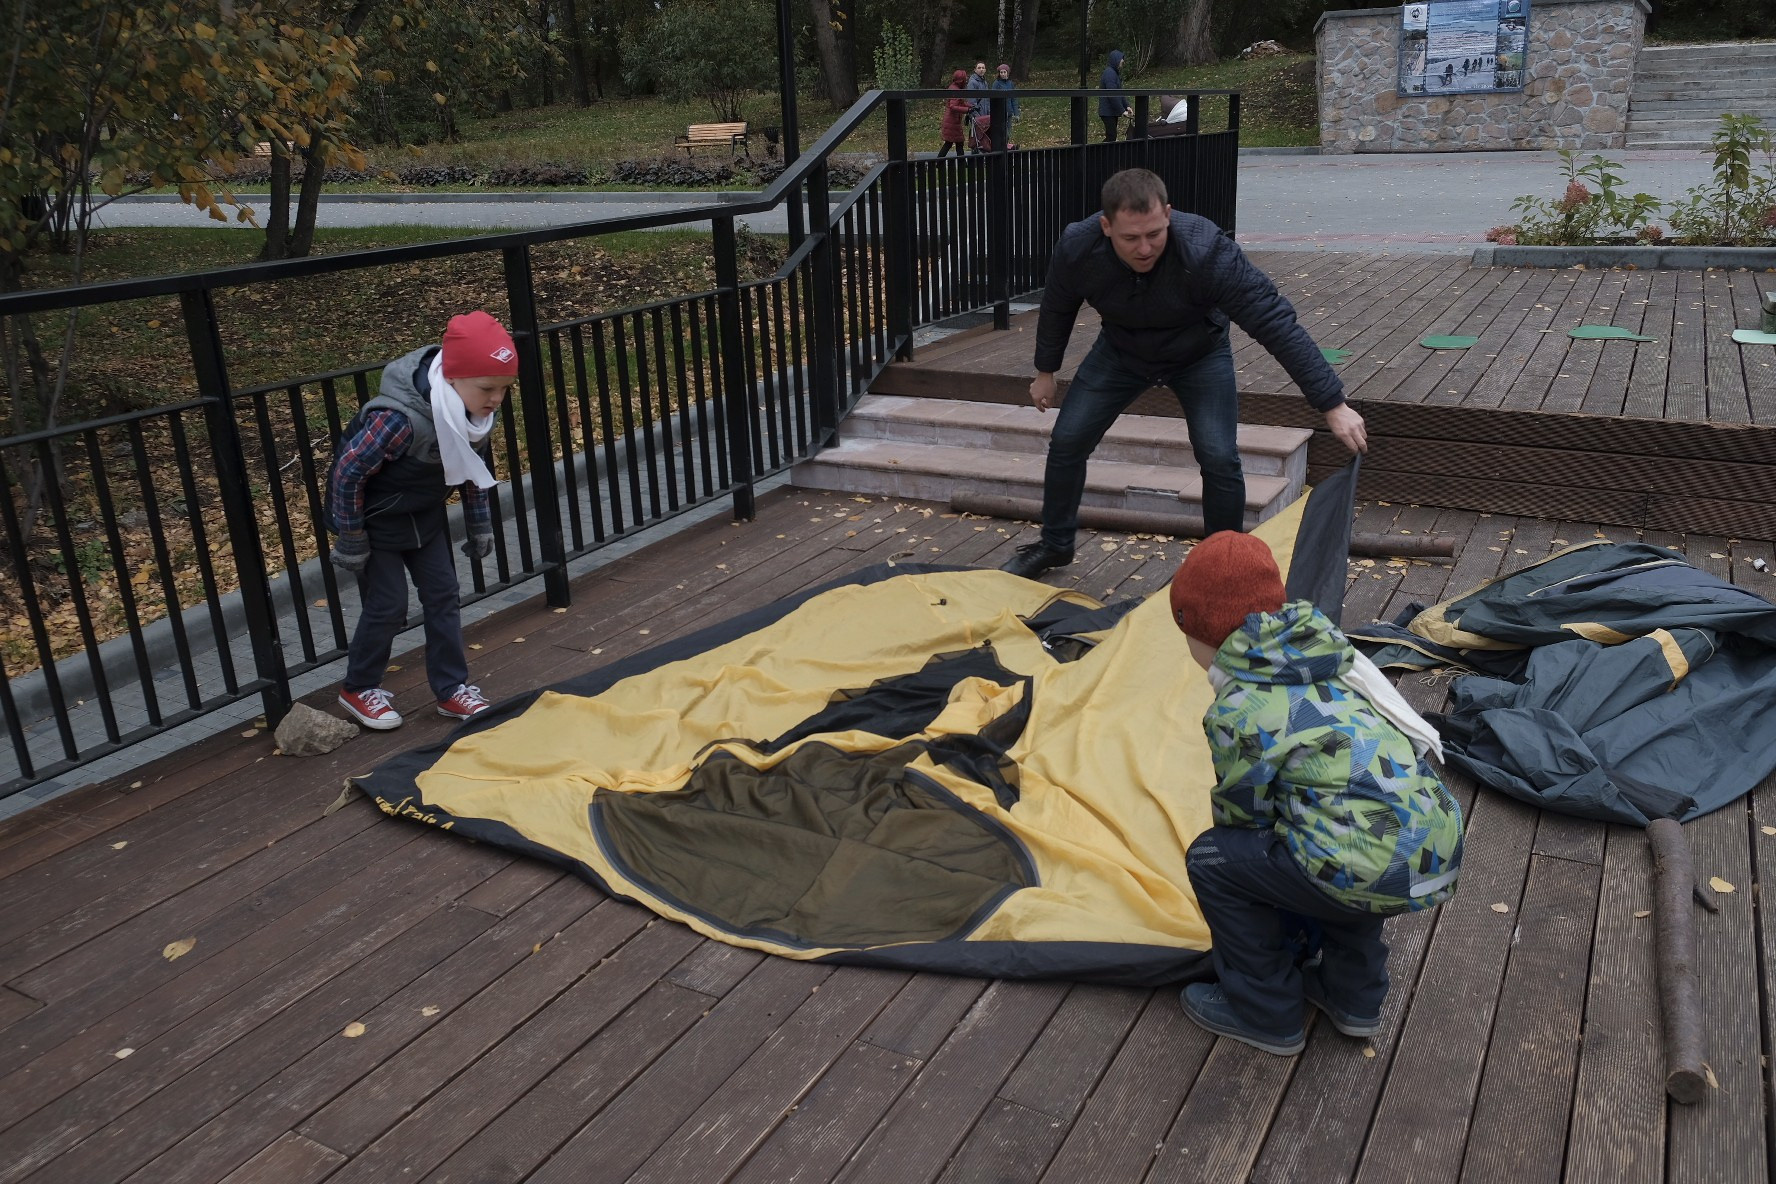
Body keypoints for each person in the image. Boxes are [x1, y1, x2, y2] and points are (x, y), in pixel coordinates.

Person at [1169, 530, 1464, 1055]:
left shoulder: (1240, 707)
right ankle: (1354, 998)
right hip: (1431, 846)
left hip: (1366, 860)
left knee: (1215, 860)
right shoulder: (1327, 657)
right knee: (1340, 838)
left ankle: (1264, 1010)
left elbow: (1244, 817)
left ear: (1197, 629)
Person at [1000, 168, 1366, 580]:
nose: (1144, 248)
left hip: (1199, 353)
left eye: (1154, 234)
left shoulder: (1206, 250)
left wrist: (1331, 403)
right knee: (1067, 440)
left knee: (1218, 456)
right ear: (1106, 226)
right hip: (1122, 350)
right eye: (1130, 238)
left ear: (1168, 215)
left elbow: (1273, 320)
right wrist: (1045, 370)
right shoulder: (1078, 247)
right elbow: (1057, 306)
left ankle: (1221, 567)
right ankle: (1055, 545)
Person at [328, 310, 513, 729]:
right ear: (452, 378)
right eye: (488, 388)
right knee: (389, 604)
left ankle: (451, 690)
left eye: (504, 389)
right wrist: (351, 537)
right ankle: (358, 687)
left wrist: (479, 522)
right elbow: (348, 471)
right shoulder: (397, 420)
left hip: (422, 515)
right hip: (374, 521)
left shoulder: (473, 416)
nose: (497, 399)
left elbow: (472, 469)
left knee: (444, 595)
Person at [1098, 49, 1130, 142]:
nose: (1123, 61)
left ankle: (1105, 155)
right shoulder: (1110, 74)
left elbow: (1119, 93)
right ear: (1116, 59)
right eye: (1121, 58)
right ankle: (1099, 154)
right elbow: (1112, 94)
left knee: (1111, 136)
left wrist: (1127, 106)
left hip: (1111, 111)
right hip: (1107, 111)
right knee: (1111, 136)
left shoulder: (1114, 73)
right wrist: (1122, 111)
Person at [938, 69, 971, 157]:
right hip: (952, 121)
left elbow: (960, 103)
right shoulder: (955, 90)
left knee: (955, 143)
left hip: (954, 120)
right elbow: (953, 106)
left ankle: (939, 162)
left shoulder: (955, 88)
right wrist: (967, 110)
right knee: (955, 142)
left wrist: (970, 106)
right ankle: (939, 162)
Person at [990, 63, 1020, 149]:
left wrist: (1016, 113)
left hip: (1009, 111)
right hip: (1000, 112)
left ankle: (1006, 146)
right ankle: (1002, 147)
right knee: (1002, 132)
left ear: (1008, 73)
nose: (1003, 74)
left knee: (1008, 131)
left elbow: (1013, 99)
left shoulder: (1010, 83)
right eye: (1001, 72)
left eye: (1004, 72)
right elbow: (993, 98)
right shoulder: (996, 83)